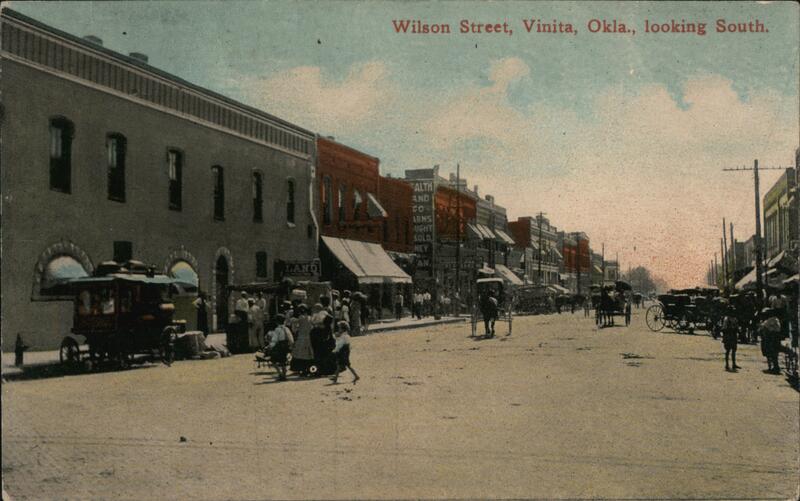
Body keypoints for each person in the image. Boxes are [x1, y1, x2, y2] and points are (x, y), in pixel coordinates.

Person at [331, 320, 360, 384]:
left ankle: (335, 378)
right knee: (345, 365)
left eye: (339, 328)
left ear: (342, 329)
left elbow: (341, 344)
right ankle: (356, 376)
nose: (338, 329)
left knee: (341, 365)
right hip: (344, 352)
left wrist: (336, 350)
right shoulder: (343, 335)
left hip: (343, 352)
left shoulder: (344, 336)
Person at [289, 305, 315, 375]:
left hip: (301, 337)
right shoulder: (310, 318)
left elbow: (293, 323)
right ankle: (307, 369)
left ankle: (300, 369)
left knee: (300, 354)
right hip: (308, 337)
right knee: (308, 354)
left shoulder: (301, 318)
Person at [267, 314, 294, 381]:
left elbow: (275, 339)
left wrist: (270, 346)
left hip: (279, 346)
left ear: (277, 322)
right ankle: (284, 375)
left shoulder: (277, 329)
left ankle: (280, 374)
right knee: (283, 361)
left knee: (273, 360)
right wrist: (291, 345)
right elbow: (291, 338)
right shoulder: (286, 328)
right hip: (285, 345)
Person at [722, 306, 740, 371]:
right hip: (728, 336)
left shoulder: (734, 319)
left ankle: (733, 364)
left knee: (734, 350)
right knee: (728, 350)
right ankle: (727, 364)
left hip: (733, 335)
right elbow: (724, 329)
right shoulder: (726, 319)